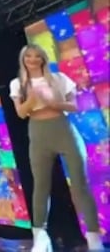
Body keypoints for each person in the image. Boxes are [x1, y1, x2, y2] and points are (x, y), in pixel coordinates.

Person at [9, 44, 103, 252]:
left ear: (43, 59)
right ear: (23, 59)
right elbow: (21, 113)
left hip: (64, 130)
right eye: (28, 56)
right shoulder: (18, 84)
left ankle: (93, 237)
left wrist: (52, 102)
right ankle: (40, 237)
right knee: (41, 186)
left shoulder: (59, 78)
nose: (33, 60)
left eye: (37, 56)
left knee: (80, 184)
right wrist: (33, 99)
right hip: (38, 133)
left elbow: (74, 105)